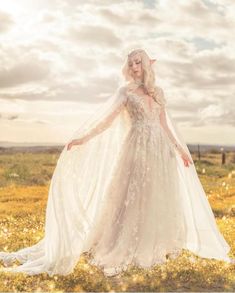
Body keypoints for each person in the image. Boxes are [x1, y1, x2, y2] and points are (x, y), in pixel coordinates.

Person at [0, 49, 233, 277]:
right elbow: (107, 121)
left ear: (147, 66)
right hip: (137, 149)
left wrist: (180, 149)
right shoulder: (125, 92)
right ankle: (123, 243)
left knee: (156, 195)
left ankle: (155, 243)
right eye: (131, 63)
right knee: (132, 195)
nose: (134, 67)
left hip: (160, 151)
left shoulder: (157, 92)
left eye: (138, 62)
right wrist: (84, 138)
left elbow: (164, 125)